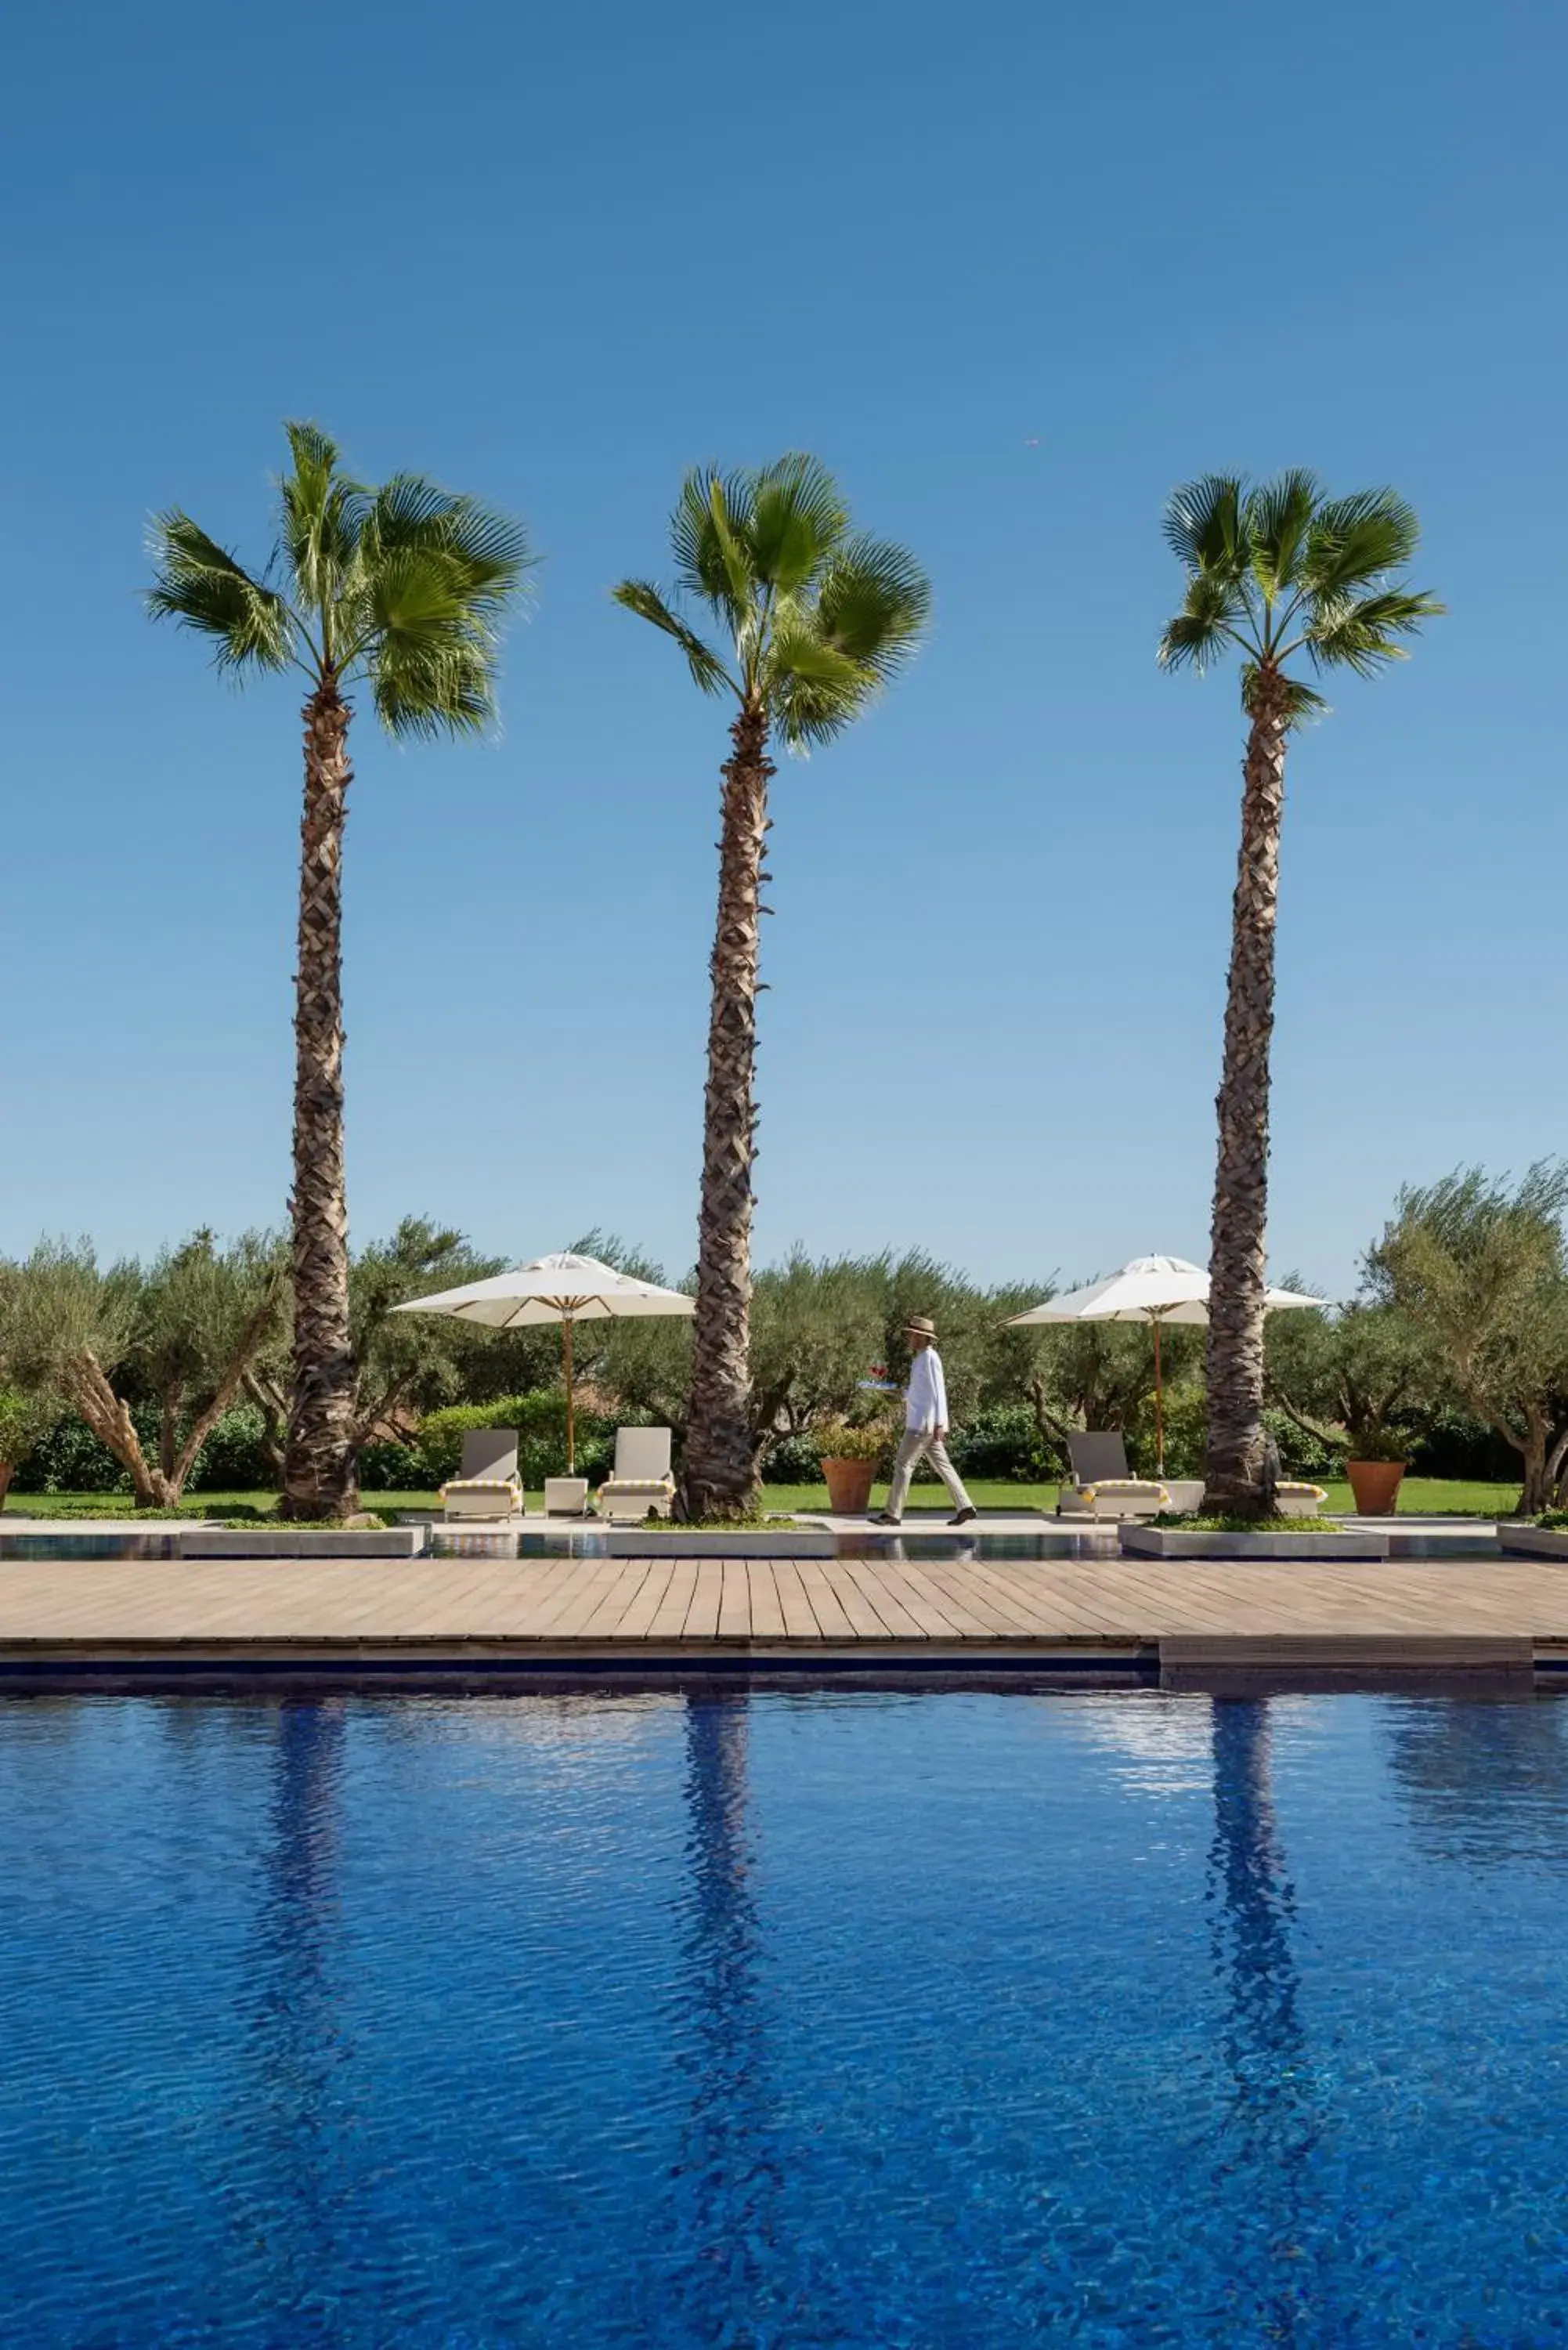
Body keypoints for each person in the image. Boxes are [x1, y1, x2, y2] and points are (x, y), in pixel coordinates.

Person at [871, 1315, 977, 1527]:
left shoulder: (930, 1358)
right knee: (943, 1465)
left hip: (922, 1425)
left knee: (903, 1464)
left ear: (921, 1336)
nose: (909, 1337)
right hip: (925, 1422)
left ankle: (893, 1514)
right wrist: (894, 1391)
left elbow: (939, 1391)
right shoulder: (921, 1359)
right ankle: (966, 1507)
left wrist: (940, 1423)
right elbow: (921, 1393)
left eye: (911, 1334)